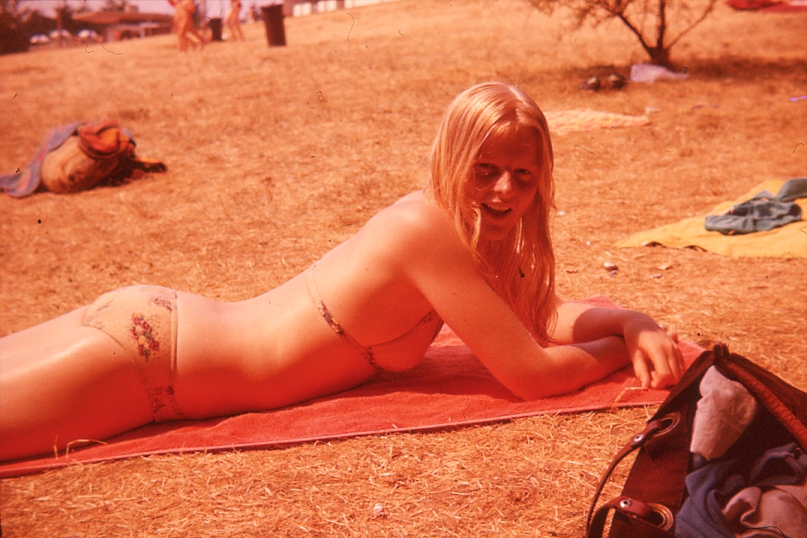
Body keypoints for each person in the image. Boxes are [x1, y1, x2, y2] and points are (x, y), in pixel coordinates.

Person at [0, 82, 684, 462]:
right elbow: (531, 374)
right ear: (453, 162)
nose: (504, 190)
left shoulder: (463, 231)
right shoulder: (430, 232)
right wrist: (616, 352)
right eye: (485, 170)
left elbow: (540, 315)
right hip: (151, 367)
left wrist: (630, 323)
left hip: (157, 337)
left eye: (522, 176)